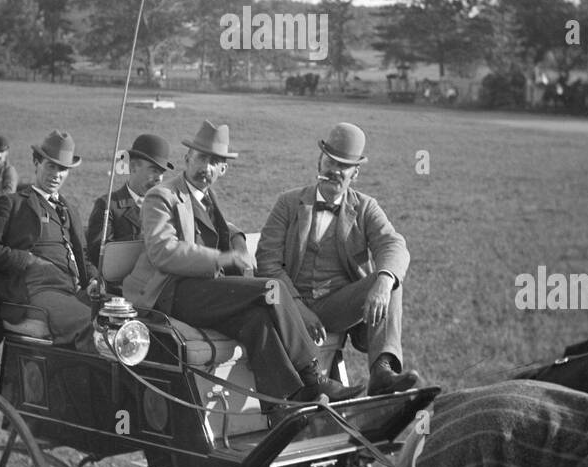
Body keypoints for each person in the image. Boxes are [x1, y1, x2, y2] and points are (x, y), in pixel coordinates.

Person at [122, 121, 363, 407]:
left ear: (223, 170)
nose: (206, 168)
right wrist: (221, 259)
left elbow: (219, 227)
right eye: (201, 158)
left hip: (202, 292)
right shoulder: (161, 197)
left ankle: (284, 404)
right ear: (187, 159)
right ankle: (314, 377)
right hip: (168, 292)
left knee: (256, 322)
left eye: (215, 163)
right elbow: (163, 251)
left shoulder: (207, 200)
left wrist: (235, 238)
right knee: (271, 289)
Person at [257, 122, 418, 396]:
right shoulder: (288, 202)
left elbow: (394, 244)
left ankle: (382, 370)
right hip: (288, 304)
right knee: (387, 279)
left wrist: (383, 281)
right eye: (330, 161)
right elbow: (267, 262)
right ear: (319, 162)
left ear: (355, 173)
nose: (334, 171)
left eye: (343, 166)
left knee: (391, 280)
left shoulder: (365, 207)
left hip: (336, 306)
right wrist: (299, 308)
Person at [0, 129, 100, 350]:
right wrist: (26, 259)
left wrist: (91, 279)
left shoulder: (69, 209)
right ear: (36, 162)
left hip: (72, 291)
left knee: (122, 323)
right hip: (33, 293)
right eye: (50, 166)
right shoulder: (13, 203)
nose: (56, 175)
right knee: (94, 326)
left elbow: (83, 256)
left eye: (62, 169)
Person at [85, 133, 174, 267]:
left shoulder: (168, 207)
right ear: (133, 167)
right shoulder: (109, 206)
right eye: (154, 170)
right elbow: (99, 256)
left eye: (162, 172)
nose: (159, 178)